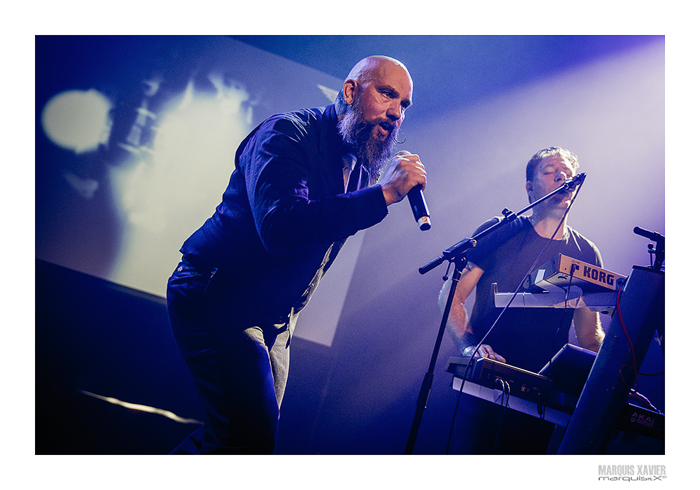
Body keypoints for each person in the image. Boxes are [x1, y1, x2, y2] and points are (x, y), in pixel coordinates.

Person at [166, 56, 425, 454]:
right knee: (249, 439)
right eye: (387, 94)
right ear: (351, 91)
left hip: (273, 319)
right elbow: (281, 229)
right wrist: (385, 194)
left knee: (238, 441)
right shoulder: (286, 134)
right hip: (219, 294)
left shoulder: (359, 164)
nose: (396, 112)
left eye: (404, 105)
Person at [439, 146, 605, 454]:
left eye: (567, 173)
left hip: (545, 398)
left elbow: (589, 337)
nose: (562, 176)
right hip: (487, 383)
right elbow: (451, 295)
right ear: (530, 187)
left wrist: (616, 381)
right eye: (550, 171)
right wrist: (469, 345)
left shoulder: (587, 254)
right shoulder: (501, 231)